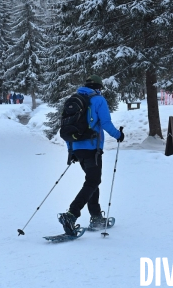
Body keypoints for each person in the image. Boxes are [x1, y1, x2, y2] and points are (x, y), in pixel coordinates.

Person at [57, 75, 125, 236]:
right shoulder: (98, 100)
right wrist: (118, 135)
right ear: (99, 87)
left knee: (92, 182)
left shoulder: (74, 100)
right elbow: (106, 123)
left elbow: (67, 127)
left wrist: (71, 150)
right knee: (93, 181)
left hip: (77, 148)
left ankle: (96, 218)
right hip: (92, 147)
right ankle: (72, 214)